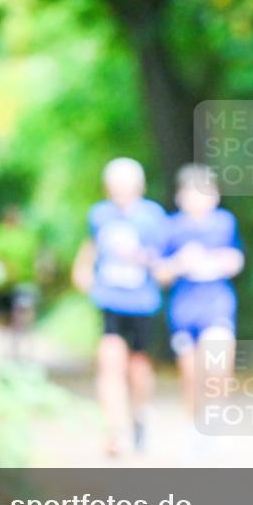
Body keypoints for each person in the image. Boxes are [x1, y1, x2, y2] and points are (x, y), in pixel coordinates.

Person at [72, 158, 169, 457]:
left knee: (138, 367)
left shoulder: (153, 217)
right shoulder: (100, 214)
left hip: (142, 303)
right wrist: (82, 270)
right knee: (109, 363)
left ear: (139, 187)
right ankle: (114, 431)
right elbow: (91, 246)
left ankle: (139, 415)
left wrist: (140, 257)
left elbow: (164, 264)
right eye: (115, 187)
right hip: (110, 300)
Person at [155, 164, 244, 424]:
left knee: (218, 365)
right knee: (191, 374)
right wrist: (179, 263)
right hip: (184, 308)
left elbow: (237, 260)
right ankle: (196, 426)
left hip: (216, 302)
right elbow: (160, 274)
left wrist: (218, 259)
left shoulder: (224, 223)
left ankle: (216, 421)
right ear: (180, 196)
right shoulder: (171, 227)